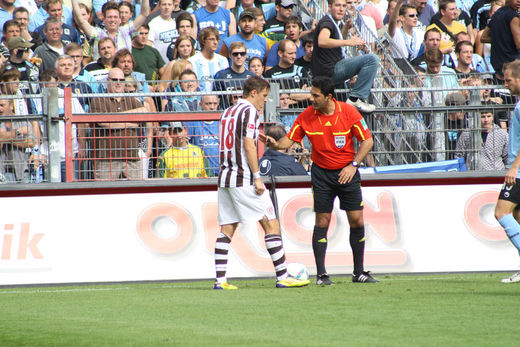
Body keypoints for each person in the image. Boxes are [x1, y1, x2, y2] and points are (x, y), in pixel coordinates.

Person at [260, 76, 378, 285]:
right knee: (322, 222)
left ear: (329, 97)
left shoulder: (349, 112)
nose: (311, 99)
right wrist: (275, 144)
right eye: (311, 94)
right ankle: (322, 275)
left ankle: (358, 272)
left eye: (316, 96)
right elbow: (291, 140)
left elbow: (367, 141)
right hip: (321, 174)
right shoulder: (307, 115)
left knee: (357, 221)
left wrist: (353, 165)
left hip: (347, 173)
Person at [214, 76, 310, 290]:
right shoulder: (249, 111)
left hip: (225, 177)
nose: (265, 101)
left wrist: (260, 136)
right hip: (244, 177)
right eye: (264, 96)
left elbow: (237, 136)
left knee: (227, 227)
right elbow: (247, 145)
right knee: (271, 222)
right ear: (254, 92)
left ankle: (220, 281)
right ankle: (283, 276)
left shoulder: (228, 111)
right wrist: (257, 177)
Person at [312, 0, 379, 113]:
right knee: (372, 59)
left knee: (340, 111)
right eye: (337, 5)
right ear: (329, 7)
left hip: (327, 72)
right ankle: (356, 98)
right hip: (330, 70)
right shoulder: (327, 22)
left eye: (344, 6)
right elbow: (322, 41)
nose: (341, 9)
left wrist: (346, 28)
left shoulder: (333, 22)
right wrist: (348, 42)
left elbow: (335, 41)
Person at [89, 67, 152, 180]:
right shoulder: (98, 100)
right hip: (106, 159)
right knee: (105, 193)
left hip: (132, 157)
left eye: (121, 80)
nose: (118, 83)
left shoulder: (130, 99)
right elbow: (105, 123)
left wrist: (115, 118)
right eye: (115, 80)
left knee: (136, 192)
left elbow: (145, 110)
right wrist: (131, 122)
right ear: (108, 81)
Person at [494, 60, 520, 283]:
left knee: (501, 212)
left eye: (509, 81)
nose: (506, 85)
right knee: (518, 217)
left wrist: (514, 166)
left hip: (519, 171)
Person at [481, 0, 520, 80]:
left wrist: (501, 38)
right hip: (514, 67)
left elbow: (483, 37)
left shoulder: (498, 13)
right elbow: (519, 44)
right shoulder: (513, 16)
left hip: (499, 68)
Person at [213, 41, 255, 109]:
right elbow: (215, 98)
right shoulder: (221, 75)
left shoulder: (253, 77)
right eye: (235, 54)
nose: (239, 56)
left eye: (242, 54)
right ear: (230, 55)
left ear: (246, 55)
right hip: (227, 114)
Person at [188, 26, 228, 91]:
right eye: (212, 39)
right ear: (203, 41)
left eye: (217, 39)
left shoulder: (223, 60)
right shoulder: (192, 61)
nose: (215, 42)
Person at [189, 94, 220, 176]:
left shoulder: (223, 123)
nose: (212, 107)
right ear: (200, 105)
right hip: (201, 171)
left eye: (215, 104)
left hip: (221, 171)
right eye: (208, 104)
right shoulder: (193, 122)